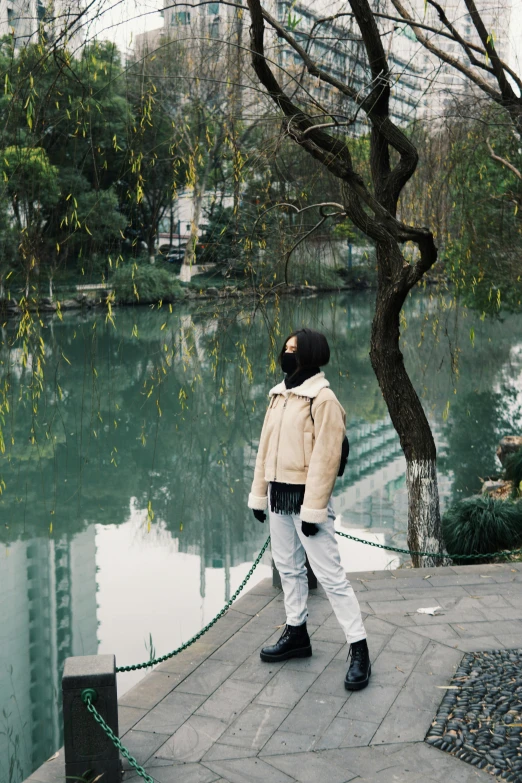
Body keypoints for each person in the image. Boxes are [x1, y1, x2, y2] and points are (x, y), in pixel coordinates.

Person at [248, 328, 371, 691]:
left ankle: (359, 649)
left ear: (310, 355)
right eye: (284, 348)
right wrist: (258, 495)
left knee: (331, 577)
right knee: (287, 567)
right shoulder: (279, 395)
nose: (285, 354)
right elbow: (264, 449)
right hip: (277, 497)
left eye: (293, 350)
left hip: (306, 500)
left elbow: (327, 458)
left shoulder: (323, 399)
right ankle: (297, 633)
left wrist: (314, 511)